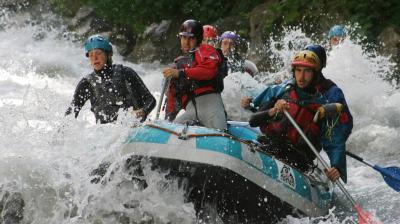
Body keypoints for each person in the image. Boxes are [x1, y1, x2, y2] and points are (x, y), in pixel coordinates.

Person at [240, 45, 353, 182]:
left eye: (307, 71)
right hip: (271, 144)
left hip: (299, 156)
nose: (301, 77)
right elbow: (258, 113)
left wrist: (336, 165)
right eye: (298, 70)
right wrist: (254, 105)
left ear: (317, 70)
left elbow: (335, 135)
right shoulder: (286, 89)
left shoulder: (328, 97)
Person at [66, 34, 156, 123]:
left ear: (108, 55)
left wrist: (142, 111)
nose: (94, 58)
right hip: (108, 134)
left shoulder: (126, 73)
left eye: (98, 53)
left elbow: (150, 100)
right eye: (91, 55)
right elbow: (71, 113)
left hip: (135, 127)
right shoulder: (86, 83)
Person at [162, 19, 228, 130]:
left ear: (198, 39)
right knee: (170, 129)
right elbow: (172, 98)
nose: (186, 42)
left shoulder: (206, 50)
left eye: (191, 38)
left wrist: (182, 73)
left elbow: (209, 71)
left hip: (211, 107)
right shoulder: (178, 64)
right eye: (184, 37)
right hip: (190, 111)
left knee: (221, 135)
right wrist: (167, 121)